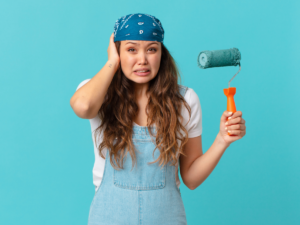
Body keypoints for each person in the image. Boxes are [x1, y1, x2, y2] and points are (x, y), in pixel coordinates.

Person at [70, 13, 246, 225]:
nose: (142, 59)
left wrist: (221, 140)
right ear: (117, 52)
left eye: (151, 49)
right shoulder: (100, 94)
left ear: (162, 54)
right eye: (131, 49)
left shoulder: (185, 101)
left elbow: (190, 178)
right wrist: (112, 62)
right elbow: (83, 107)